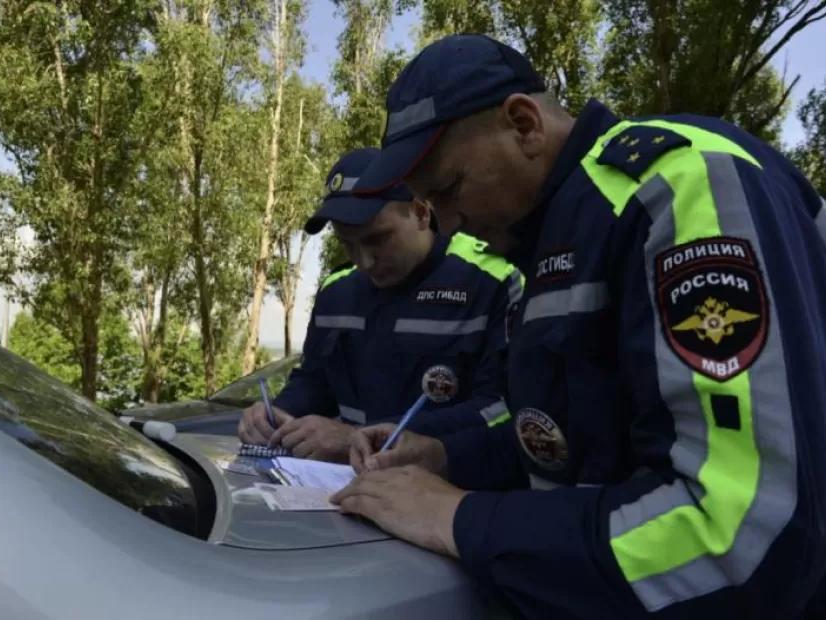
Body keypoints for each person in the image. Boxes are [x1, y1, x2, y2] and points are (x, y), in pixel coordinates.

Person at [333, 34, 826, 618]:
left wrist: (458, 516)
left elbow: (739, 536)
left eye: (448, 191)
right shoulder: (543, 244)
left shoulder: (680, 185)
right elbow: (567, 441)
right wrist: (443, 455)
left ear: (523, 125)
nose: (447, 225)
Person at [238, 147, 522, 464]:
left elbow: (501, 408)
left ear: (420, 212)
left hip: (443, 490)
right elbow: (315, 380)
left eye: (378, 239)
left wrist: (361, 438)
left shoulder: (491, 279)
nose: (364, 261)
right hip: (335, 489)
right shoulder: (337, 291)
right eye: (347, 244)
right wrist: (277, 412)